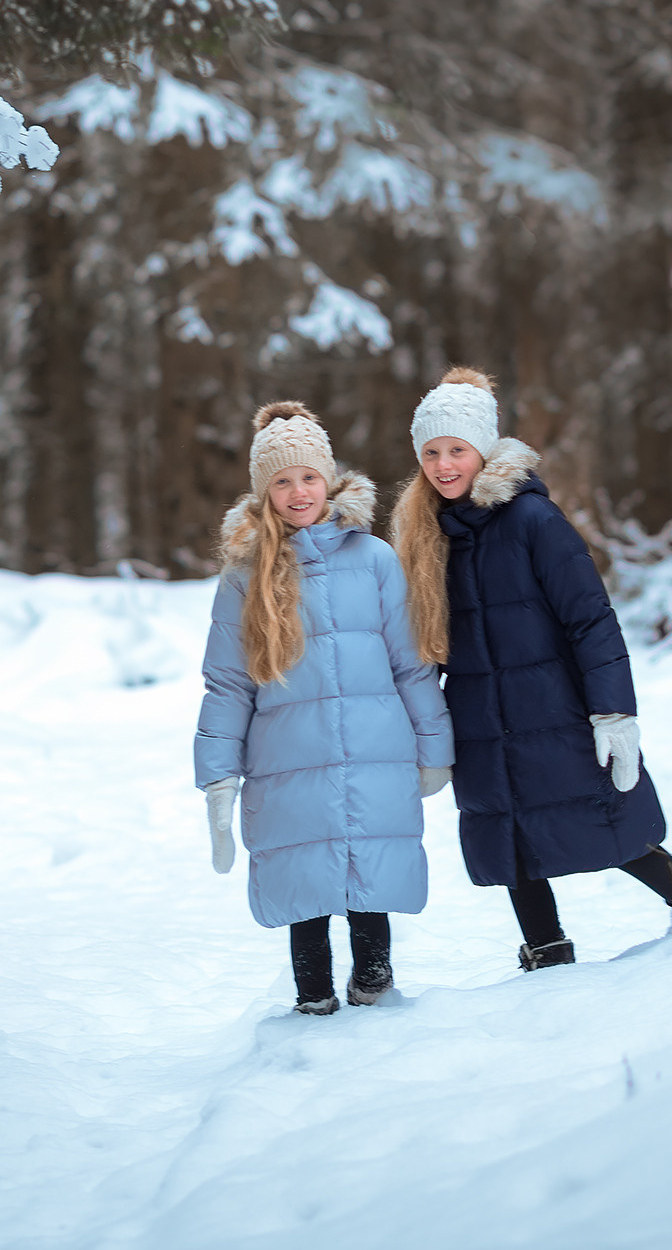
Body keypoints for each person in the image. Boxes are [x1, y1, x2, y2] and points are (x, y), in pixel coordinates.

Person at [392, 367, 672, 971]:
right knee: (511, 828)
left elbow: (590, 619)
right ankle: (545, 945)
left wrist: (614, 712)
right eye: (431, 453)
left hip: (556, 709)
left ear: (483, 449)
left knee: (604, 817)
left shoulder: (532, 521)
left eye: (456, 450)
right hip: (482, 719)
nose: (443, 465)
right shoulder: (425, 534)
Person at [195, 400, 454, 1014]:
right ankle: (311, 1001)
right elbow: (228, 684)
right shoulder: (244, 576)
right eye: (281, 481)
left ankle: (375, 987)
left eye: (308, 476)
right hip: (287, 761)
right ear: (264, 493)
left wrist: (435, 748)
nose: (297, 491)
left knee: (372, 875)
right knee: (302, 880)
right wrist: (218, 779)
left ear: (329, 479)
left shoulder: (375, 560)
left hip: (375, 751)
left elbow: (410, 664)